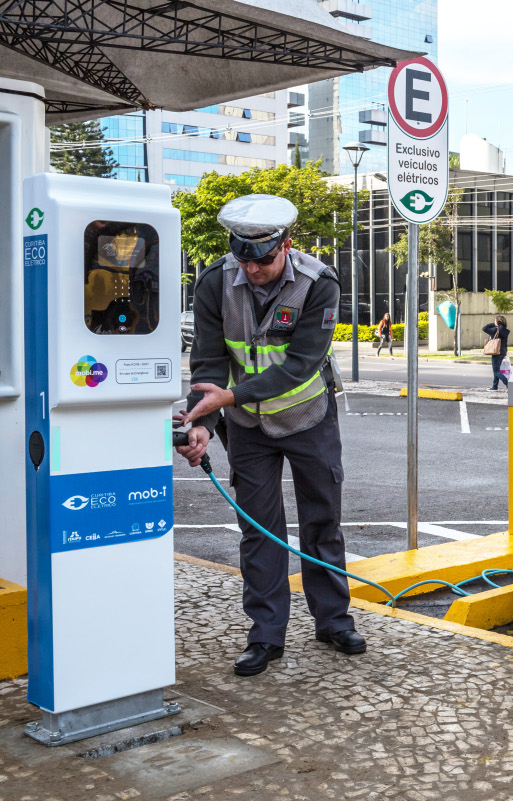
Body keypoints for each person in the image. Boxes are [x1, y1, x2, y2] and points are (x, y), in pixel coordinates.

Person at [175, 193, 366, 678]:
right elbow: (211, 362)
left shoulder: (318, 284)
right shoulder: (215, 282)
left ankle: (333, 621)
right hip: (247, 428)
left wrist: (229, 400)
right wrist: (201, 423)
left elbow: (301, 365)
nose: (253, 268)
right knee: (259, 531)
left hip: (308, 417)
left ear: (285, 244)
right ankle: (265, 636)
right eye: (243, 257)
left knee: (322, 522)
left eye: (262, 258)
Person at [483, 315, 510, 391]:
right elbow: (505, 342)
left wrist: (493, 324)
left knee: (496, 371)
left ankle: (508, 383)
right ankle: (495, 386)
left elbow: (484, 328)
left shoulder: (495, 329)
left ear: (497, 322)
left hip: (496, 351)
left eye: (495, 320)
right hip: (502, 351)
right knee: (497, 370)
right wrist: (505, 351)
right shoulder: (505, 330)